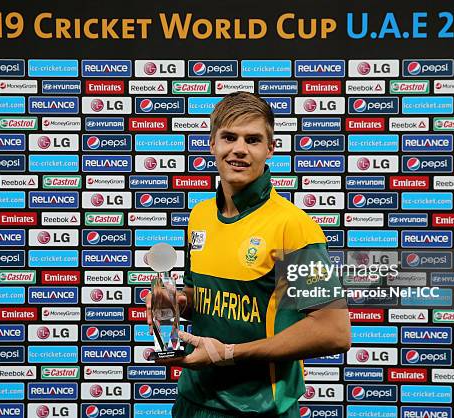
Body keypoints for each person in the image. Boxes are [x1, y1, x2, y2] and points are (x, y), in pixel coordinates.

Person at [146, 91, 351, 418]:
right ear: (212, 144)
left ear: (270, 149)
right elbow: (211, 298)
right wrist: (179, 301)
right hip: (192, 402)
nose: (239, 149)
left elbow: (333, 332)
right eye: (229, 137)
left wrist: (228, 353)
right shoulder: (200, 215)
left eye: (253, 140)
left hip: (259, 409)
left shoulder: (293, 225)